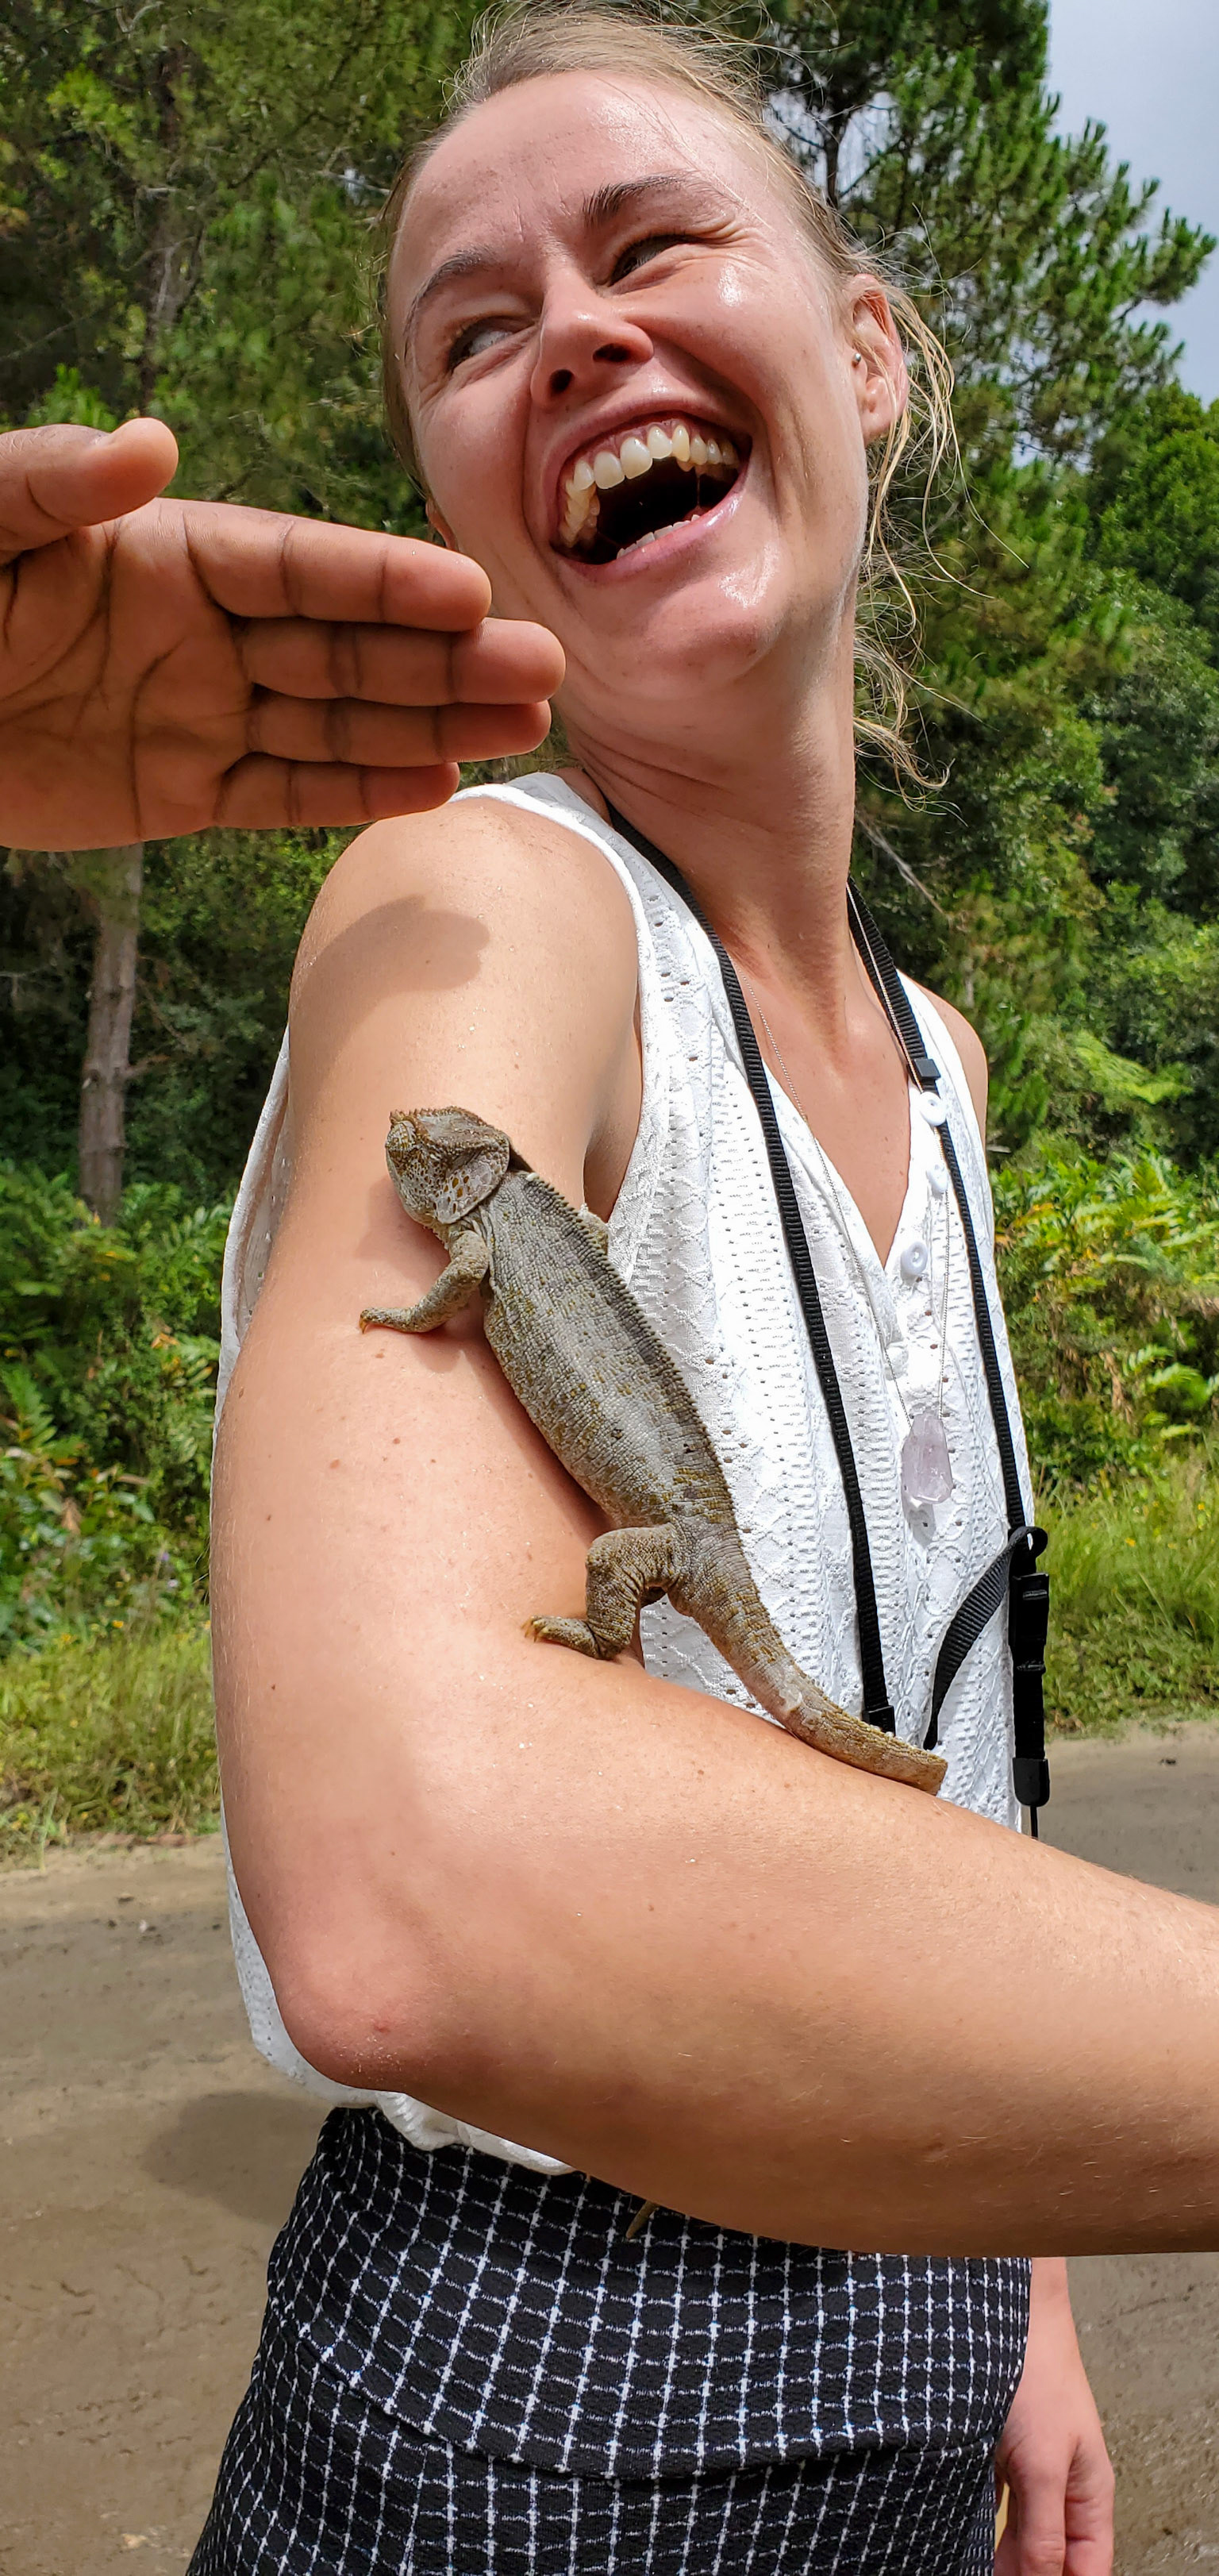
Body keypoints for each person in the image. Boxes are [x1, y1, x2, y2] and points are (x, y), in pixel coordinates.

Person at [194, 6, 1219, 2568]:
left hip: (926, 2297)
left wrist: (1026, 2276)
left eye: (656, 245)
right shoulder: (474, 900)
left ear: (861, 347)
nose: (574, 333)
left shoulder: (949, 1063)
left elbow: (949, 1736)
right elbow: (417, 1884)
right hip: (547, 2364)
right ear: (441, 490)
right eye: (469, 327)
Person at [0, 415, 563, 850]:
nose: (572, 324)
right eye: (477, 340)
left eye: (638, 259)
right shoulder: (480, 859)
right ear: (446, 530)